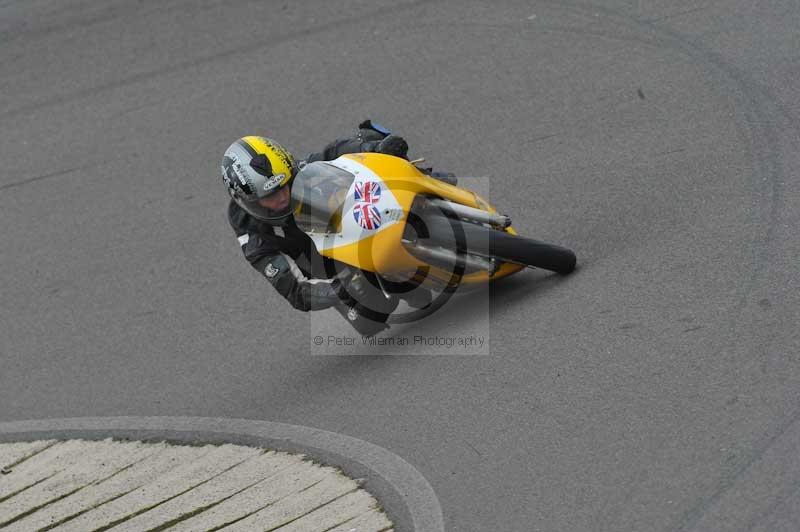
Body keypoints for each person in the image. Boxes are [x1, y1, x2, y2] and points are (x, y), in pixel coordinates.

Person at [221, 120, 445, 315]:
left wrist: (374, 147)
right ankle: (401, 283)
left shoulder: (298, 171)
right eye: (269, 195)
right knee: (373, 310)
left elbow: (335, 152)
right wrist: (338, 289)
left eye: (284, 185)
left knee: (372, 134)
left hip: (348, 219)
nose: (282, 197)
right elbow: (294, 290)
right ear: (247, 200)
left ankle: (429, 185)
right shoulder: (252, 233)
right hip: (330, 266)